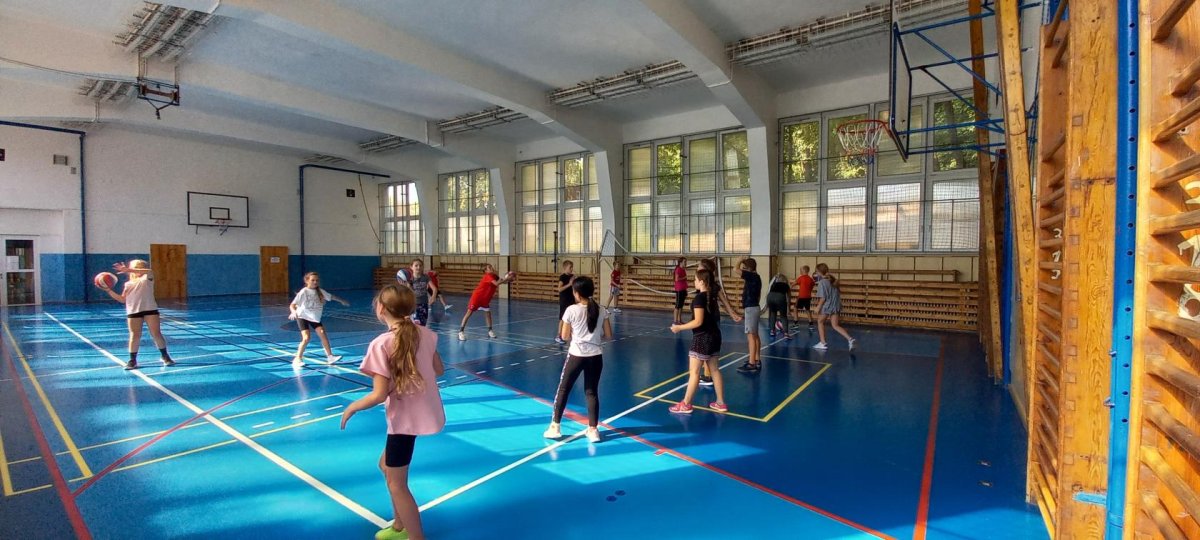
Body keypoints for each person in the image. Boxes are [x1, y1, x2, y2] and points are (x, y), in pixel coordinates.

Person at [340, 284, 445, 540]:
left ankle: (415, 536)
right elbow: (439, 370)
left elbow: (378, 394)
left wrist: (352, 407)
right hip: (422, 414)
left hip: (404, 422)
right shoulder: (425, 334)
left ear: (381, 309)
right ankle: (399, 525)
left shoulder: (381, 344)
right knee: (385, 466)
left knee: (397, 484)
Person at [544, 277, 612, 443]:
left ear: (577, 293)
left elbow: (564, 336)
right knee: (591, 392)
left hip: (576, 355)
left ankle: (555, 427)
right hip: (596, 356)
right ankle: (593, 430)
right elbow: (609, 335)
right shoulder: (602, 309)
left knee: (563, 389)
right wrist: (594, 337)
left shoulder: (571, 310)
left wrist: (577, 335)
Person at [668, 268, 728, 414]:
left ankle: (686, 404)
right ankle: (720, 402)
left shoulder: (700, 299)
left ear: (701, 282)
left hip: (702, 338)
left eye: (695, 279)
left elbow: (698, 321)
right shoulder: (712, 297)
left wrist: (679, 327)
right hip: (715, 336)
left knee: (694, 372)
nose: (694, 282)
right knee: (714, 369)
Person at [99, 259, 174, 370]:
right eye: (134, 267)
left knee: (156, 333)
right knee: (134, 335)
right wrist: (108, 290)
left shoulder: (147, 278)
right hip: (133, 311)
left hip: (150, 310)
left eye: (138, 267)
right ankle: (132, 360)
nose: (135, 269)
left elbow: (149, 271)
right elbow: (122, 299)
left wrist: (127, 269)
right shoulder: (128, 284)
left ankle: (165, 356)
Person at [289, 272, 349, 366]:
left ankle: (330, 357)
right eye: (312, 280)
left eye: (317, 280)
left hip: (314, 318)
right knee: (306, 338)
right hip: (303, 316)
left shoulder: (320, 291)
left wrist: (341, 301)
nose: (315, 282)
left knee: (322, 333)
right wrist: (293, 312)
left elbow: (331, 296)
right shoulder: (304, 292)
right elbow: (292, 305)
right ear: (307, 281)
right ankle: (297, 359)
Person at [697, 258, 741, 385]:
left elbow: (723, 301)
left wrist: (733, 314)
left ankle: (708, 376)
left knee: (706, 345)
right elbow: (725, 301)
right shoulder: (714, 285)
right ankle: (708, 373)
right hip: (714, 318)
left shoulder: (707, 285)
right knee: (710, 345)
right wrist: (732, 314)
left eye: (699, 267)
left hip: (708, 319)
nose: (697, 269)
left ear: (704, 269)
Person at [457, 264, 515, 341]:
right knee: (469, 313)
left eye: (491, 266)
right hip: (477, 297)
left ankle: (490, 331)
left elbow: (502, 282)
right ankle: (461, 332)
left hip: (485, 299)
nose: (492, 268)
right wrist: (507, 278)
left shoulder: (494, 276)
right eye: (489, 267)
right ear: (485, 271)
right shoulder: (487, 276)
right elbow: (496, 283)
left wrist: (509, 279)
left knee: (488, 314)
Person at [813, 263, 856, 351]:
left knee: (820, 321)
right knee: (835, 325)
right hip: (835, 305)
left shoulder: (822, 282)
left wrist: (818, 307)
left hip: (828, 305)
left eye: (816, 272)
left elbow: (823, 298)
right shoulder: (833, 281)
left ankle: (823, 342)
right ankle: (850, 339)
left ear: (819, 272)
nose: (816, 273)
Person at [736, 257, 763, 374]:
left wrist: (739, 260)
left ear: (749, 268)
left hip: (751, 308)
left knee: (751, 336)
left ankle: (752, 363)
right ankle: (756, 359)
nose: (743, 270)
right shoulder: (756, 277)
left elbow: (735, 269)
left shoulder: (752, 276)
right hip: (753, 307)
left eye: (744, 268)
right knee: (755, 335)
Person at [406, 259, 438, 326]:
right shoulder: (410, 279)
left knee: (423, 324)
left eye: (420, 265)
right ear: (411, 267)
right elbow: (407, 293)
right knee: (416, 323)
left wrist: (433, 296)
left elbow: (434, 289)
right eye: (416, 265)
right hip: (414, 305)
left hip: (424, 304)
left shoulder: (425, 277)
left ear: (423, 267)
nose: (418, 267)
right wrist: (408, 286)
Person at [555, 260, 577, 344]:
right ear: (565, 268)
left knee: (572, 318)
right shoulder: (562, 277)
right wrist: (569, 284)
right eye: (570, 267)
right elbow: (559, 289)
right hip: (564, 301)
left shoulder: (572, 276)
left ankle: (571, 334)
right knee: (562, 318)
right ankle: (559, 336)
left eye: (572, 267)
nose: (571, 269)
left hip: (572, 300)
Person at [765, 273, 791, 342]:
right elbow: (789, 297)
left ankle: (772, 331)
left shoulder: (774, 284)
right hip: (780, 297)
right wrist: (788, 308)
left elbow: (769, 292)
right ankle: (786, 333)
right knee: (783, 316)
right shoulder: (786, 285)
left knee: (773, 313)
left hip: (770, 297)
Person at [793, 265, 816, 330]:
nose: (800, 271)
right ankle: (811, 324)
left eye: (801, 270)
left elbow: (794, 283)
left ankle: (795, 323)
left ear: (803, 271)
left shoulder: (801, 278)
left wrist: (790, 287)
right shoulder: (810, 279)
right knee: (807, 310)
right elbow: (812, 285)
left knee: (795, 308)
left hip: (801, 297)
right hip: (808, 297)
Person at [672, 257, 688, 325]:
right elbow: (677, 279)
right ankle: (675, 321)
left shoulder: (683, 269)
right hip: (679, 289)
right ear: (681, 262)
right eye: (684, 262)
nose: (686, 263)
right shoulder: (678, 269)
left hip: (683, 289)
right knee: (678, 305)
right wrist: (684, 277)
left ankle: (679, 320)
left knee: (681, 306)